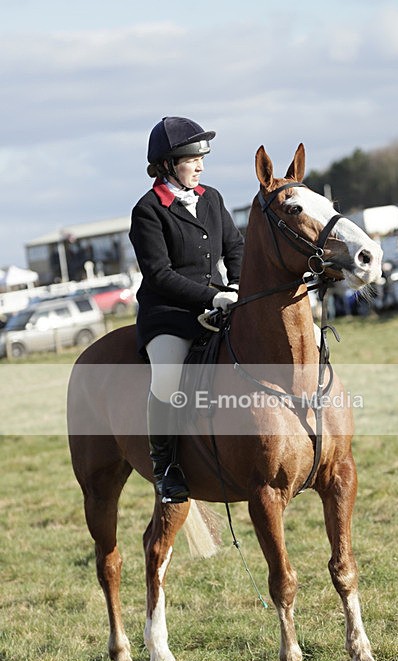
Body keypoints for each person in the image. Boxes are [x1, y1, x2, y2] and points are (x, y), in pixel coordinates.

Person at [129, 116, 244, 504]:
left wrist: (238, 286)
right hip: (168, 314)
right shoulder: (148, 210)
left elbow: (236, 248)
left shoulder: (211, 198)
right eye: (192, 159)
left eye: (202, 159)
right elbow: (159, 275)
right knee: (167, 378)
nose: (200, 166)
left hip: (220, 301)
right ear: (167, 165)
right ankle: (166, 469)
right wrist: (212, 297)